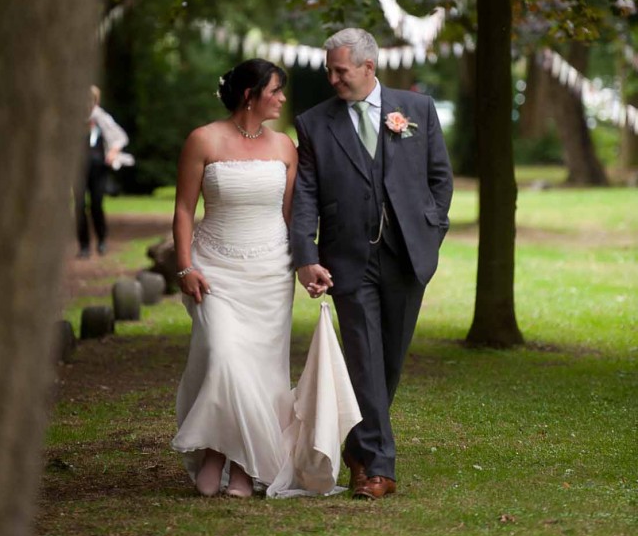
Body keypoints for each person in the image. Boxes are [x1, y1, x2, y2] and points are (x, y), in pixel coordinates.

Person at [171, 58, 360, 499]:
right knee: (221, 355)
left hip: (270, 272)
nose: (282, 98)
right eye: (276, 90)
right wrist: (185, 266)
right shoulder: (204, 140)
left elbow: (293, 216)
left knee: (262, 372)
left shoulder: (285, 148)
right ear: (249, 94)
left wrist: (306, 263)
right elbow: (183, 210)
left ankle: (241, 464)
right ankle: (215, 453)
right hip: (214, 269)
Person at [291, 28, 453, 500]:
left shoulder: (417, 110)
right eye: (330, 70)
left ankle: (360, 448)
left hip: (407, 256)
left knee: (389, 361)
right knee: (363, 357)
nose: (333, 78)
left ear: (369, 67)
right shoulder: (314, 123)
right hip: (347, 257)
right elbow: (304, 197)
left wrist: (432, 228)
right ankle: (379, 465)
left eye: (340, 70)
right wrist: (306, 255)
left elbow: (439, 177)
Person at [75, 85, 131, 258]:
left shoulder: (102, 119)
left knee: (96, 204)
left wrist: (113, 151)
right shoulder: (74, 119)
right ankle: (84, 245)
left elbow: (119, 137)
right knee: (79, 206)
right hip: (79, 169)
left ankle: (101, 240)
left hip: (98, 168)